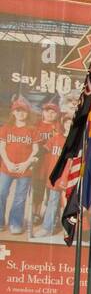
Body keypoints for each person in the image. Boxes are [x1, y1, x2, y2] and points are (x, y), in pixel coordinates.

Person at [0, 96, 40, 235]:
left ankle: (15, 223)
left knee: (20, 197)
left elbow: (35, 150)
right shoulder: (6, 128)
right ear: (13, 112)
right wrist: (8, 163)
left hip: (25, 169)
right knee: (1, 193)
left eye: (23, 111)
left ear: (27, 113)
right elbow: (2, 147)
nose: (20, 113)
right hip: (7, 167)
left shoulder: (32, 129)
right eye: (18, 111)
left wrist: (26, 164)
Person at [34, 99, 62, 237]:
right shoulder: (37, 125)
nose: (50, 114)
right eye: (47, 111)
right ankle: (36, 214)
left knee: (52, 195)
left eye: (53, 112)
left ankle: (53, 218)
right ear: (43, 112)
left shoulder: (59, 126)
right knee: (38, 192)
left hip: (53, 166)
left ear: (57, 114)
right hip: (40, 165)